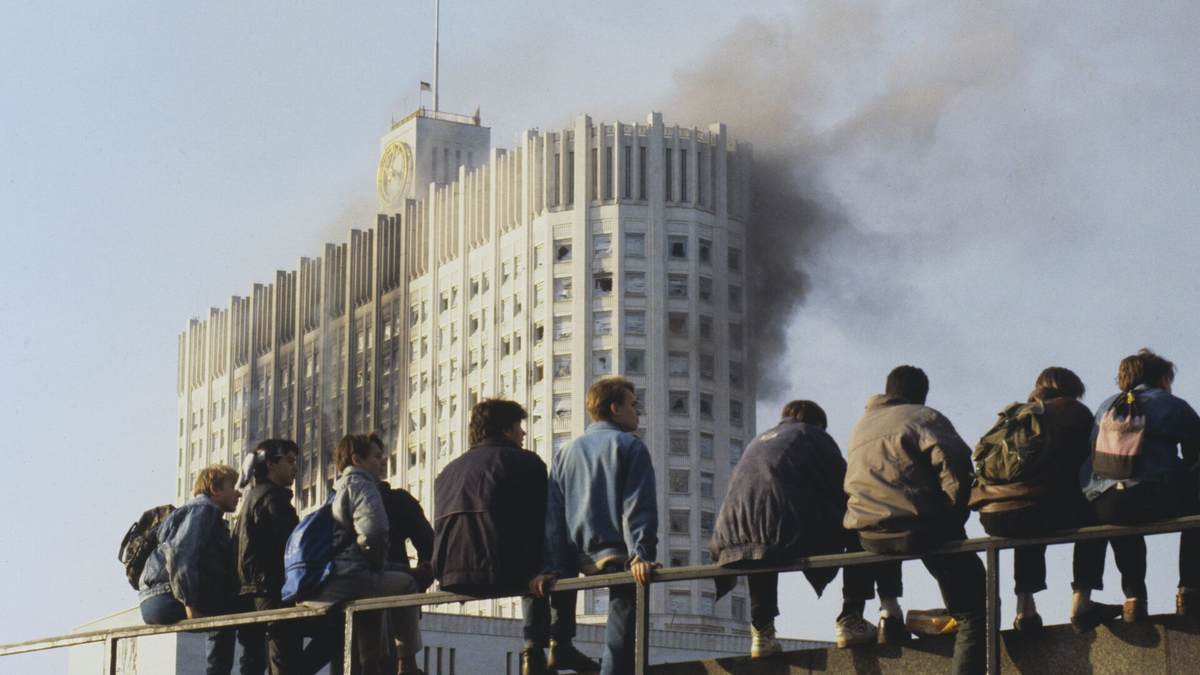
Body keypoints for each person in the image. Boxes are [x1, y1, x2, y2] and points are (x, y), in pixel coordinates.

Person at [710, 400, 903, 655]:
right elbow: (847, 488)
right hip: (779, 529)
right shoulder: (812, 434)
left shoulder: (759, 440)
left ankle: (761, 632)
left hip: (729, 535)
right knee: (863, 522)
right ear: (818, 424)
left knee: (759, 544)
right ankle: (851, 617)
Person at [433, 399, 599, 675]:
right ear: (506, 429)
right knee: (560, 556)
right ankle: (554, 646)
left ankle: (536, 652)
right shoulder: (525, 462)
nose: (523, 434)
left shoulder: (448, 470)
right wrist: (553, 568)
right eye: (519, 426)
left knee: (523, 550)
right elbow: (547, 523)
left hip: (452, 574)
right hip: (505, 569)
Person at [844, 366, 987, 675]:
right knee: (976, 611)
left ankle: (891, 617)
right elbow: (958, 471)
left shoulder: (860, 426)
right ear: (922, 395)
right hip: (917, 527)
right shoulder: (923, 417)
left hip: (868, 535)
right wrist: (953, 517)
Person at [968, 368, 1122, 633]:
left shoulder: (1014, 413)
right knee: (1094, 513)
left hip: (992, 515)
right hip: (1032, 511)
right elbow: (1090, 461)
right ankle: (1082, 603)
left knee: (1027, 516)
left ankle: (1024, 610)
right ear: (1071, 391)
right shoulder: (1073, 411)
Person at [531, 377, 659, 675]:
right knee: (624, 618)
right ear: (615, 408)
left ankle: (559, 644)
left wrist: (552, 565)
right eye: (633, 405)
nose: (638, 412)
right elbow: (637, 506)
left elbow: (554, 517)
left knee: (566, 587)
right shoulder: (630, 446)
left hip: (576, 555)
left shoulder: (565, 453)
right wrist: (641, 554)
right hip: (617, 553)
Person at [1074, 349, 1200, 623]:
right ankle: (1189, 592)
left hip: (1108, 504)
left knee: (1123, 512)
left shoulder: (1106, 406)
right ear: (1161, 378)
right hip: (1156, 497)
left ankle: (1134, 600)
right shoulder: (1171, 404)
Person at [301, 433, 425, 675]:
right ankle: (407, 665)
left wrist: (388, 569)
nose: (383, 462)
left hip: (324, 583)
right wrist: (383, 565)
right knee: (408, 584)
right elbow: (374, 533)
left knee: (373, 590)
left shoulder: (336, 491)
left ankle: (370, 666)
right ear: (357, 459)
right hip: (347, 580)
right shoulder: (364, 486)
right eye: (377, 456)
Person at [235, 439, 341, 675]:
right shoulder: (273, 498)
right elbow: (297, 546)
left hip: (254, 594)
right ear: (271, 464)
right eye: (290, 461)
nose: (295, 468)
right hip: (271, 593)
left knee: (279, 661)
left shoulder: (255, 496)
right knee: (336, 629)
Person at [139, 464, 250, 675]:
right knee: (233, 612)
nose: (239, 493)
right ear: (214, 489)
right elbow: (182, 554)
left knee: (225, 613)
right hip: (167, 597)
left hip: (154, 599)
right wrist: (188, 601)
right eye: (233, 486)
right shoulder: (203, 510)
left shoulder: (198, 513)